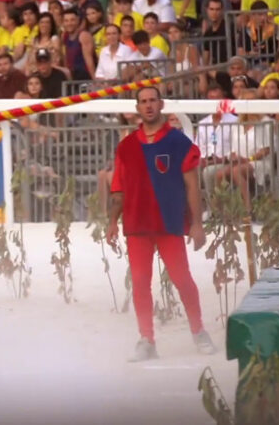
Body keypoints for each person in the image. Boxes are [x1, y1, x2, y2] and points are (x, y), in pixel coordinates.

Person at [106, 86, 216, 361]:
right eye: (143, 102)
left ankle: (198, 330)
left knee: (182, 279)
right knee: (141, 283)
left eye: (152, 100)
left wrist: (197, 224)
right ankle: (147, 340)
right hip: (136, 224)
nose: (148, 105)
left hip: (169, 222)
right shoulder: (126, 147)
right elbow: (118, 190)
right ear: (137, 108)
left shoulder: (179, 143)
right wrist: (111, 223)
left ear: (161, 104)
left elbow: (193, 186)